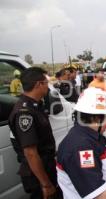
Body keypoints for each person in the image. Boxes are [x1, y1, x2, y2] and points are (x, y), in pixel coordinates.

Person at [8, 67, 61, 199]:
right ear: (38, 84)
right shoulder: (25, 113)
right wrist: (46, 184)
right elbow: (30, 153)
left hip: (46, 167)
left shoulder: (35, 106)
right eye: (46, 83)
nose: (48, 87)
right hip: (38, 175)